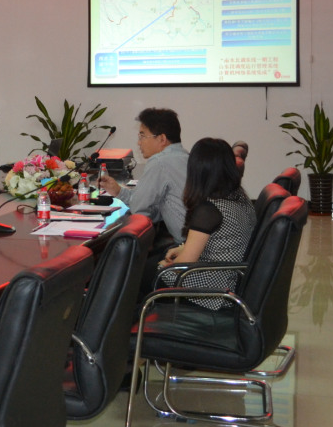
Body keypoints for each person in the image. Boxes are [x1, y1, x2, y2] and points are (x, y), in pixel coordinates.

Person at [156, 137, 257, 309]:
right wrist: (182, 249)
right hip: (229, 279)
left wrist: (164, 265)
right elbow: (221, 241)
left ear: (196, 171)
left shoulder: (208, 210)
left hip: (213, 290)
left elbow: (183, 265)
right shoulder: (238, 196)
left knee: (142, 274)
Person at [98, 108, 189, 241]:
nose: (139, 142)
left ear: (162, 139)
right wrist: (119, 191)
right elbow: (156, 206)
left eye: (142, 136)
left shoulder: (160, 162)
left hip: (187, 246)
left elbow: (139, 207)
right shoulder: (185, 157)